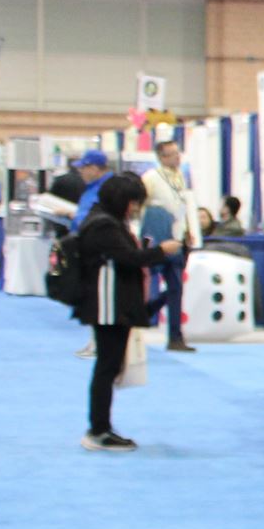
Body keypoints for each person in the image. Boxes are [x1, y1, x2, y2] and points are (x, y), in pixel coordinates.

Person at [68, 170, 182, 451]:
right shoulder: (103, 225)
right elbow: (129, 258)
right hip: (108, 305)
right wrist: (161, 252)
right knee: (106, 367)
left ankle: (101, 426)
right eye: (133, 202)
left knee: (108, 367)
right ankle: (98, 429)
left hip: (112, 303)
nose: (135, 208)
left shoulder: (104, 220)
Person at [143, 137, 198, 352]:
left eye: (178, 153)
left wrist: (190, 231)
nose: (178, 157)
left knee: (176, 288)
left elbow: (184, 207)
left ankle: (175, 336)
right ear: (162, 157)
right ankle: (147, 311)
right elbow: (141, 207)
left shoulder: (180, 177)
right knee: (153, 282)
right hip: (158, 238)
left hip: (178, 237)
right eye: (173, 153)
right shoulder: (151, 178)